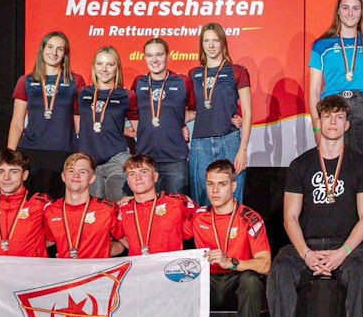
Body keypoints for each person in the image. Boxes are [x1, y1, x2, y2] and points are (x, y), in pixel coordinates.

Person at [263, 95, 363, 317]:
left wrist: (342, 253)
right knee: (280, 268)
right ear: (319, 122)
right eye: (328, 117)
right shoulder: (300, 165)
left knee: (361, 270)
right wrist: (305, 254)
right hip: (308, 244)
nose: (333, 122)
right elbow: (290, 217)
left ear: (347, 125)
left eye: (339, 117)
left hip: (346, 246)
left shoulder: (361, 165)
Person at [193, 160, 271, 317]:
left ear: (234, 186)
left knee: (251, 279)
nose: (215, 191)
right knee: (184, 280)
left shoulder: (250, 218)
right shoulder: (197, 216)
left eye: (222, 184)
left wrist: (232, 263)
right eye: (210, 184)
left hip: (236, 283)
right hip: (208, 283)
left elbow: (265, 264)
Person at [7, 31, 84, 197]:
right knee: (30, 204)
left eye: (59, 49)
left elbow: (79, 120)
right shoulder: (26, 81)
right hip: (31, 151)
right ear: (42, 50)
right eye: (50, 47)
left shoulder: (75, 81)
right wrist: (10, 156)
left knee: (59, 204)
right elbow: (17, 122)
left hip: (64, 151)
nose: (54, 53)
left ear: (65, 54)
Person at [309, 0, 363, 162]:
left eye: (355, 8)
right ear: (338, 12)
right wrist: (316, 125)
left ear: (361, 13)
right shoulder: (321, 45)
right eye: (345, 8)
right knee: (333, 163)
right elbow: (314, 90)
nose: (350, 13)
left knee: (362, 165)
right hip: (332, 107)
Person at [188, 23, 252, 206]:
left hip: (230, 141)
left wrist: (243, 149)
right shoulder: (193, 74)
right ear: (201, 44)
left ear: (223, 42)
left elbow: (247, 113)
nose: (211, 45)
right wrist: (181, 126)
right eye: (206, 41)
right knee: (201, 201)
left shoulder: (237, 71)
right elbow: (192, 111)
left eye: (215, 40)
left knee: (232, 198)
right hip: (200, 143)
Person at [128, 37, 195, 195]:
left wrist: (176, 123)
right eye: (149, 55)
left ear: (167, 56)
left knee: (176, 206)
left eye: (159, 55)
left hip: (175, 159)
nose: (154, 60)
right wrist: (135, 130)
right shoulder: (139, 83)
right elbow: (131, 113)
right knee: (148, 206)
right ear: (144, 58)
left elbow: (195, 110)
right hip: (145, 160)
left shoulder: (182, 82)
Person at [43, 153, 125, 259]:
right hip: (66, 269)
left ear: (92, 178)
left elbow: (129, 243)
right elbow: (42, 242)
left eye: (82, 172)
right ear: (63, 176)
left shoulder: (107, 209)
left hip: (97, 269)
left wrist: (105, 251)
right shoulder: (51, 210)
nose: (76, 175)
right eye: (71, 171)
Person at [0, 149, 52, 258]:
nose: (6, 178)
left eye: (13, 171)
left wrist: (35, 250)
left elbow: (57, 237)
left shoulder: (41, 203)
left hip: (31, 268)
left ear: (24, 175)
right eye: (1, 171)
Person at [77, 46, 130, 201]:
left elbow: (140, 127)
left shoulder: (126, 95)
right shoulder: (82, 94)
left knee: (119, 208)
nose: (104, 69)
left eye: (110, 64)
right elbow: (74, 125)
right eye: (100, 64)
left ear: (117, 67)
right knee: (94, 211)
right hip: (89, 163)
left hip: (117, 159)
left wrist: (179, 126)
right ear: (94, 66)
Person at [116, 154, 196, 256]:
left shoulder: (177, 202)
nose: (137, 178)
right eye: (132, 174)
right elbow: (116, 237)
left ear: (155, 177)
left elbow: (204, 221)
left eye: (143, 171)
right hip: (138, 265)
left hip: (171, 264)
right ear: (128, 181)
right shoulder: (123, 209)